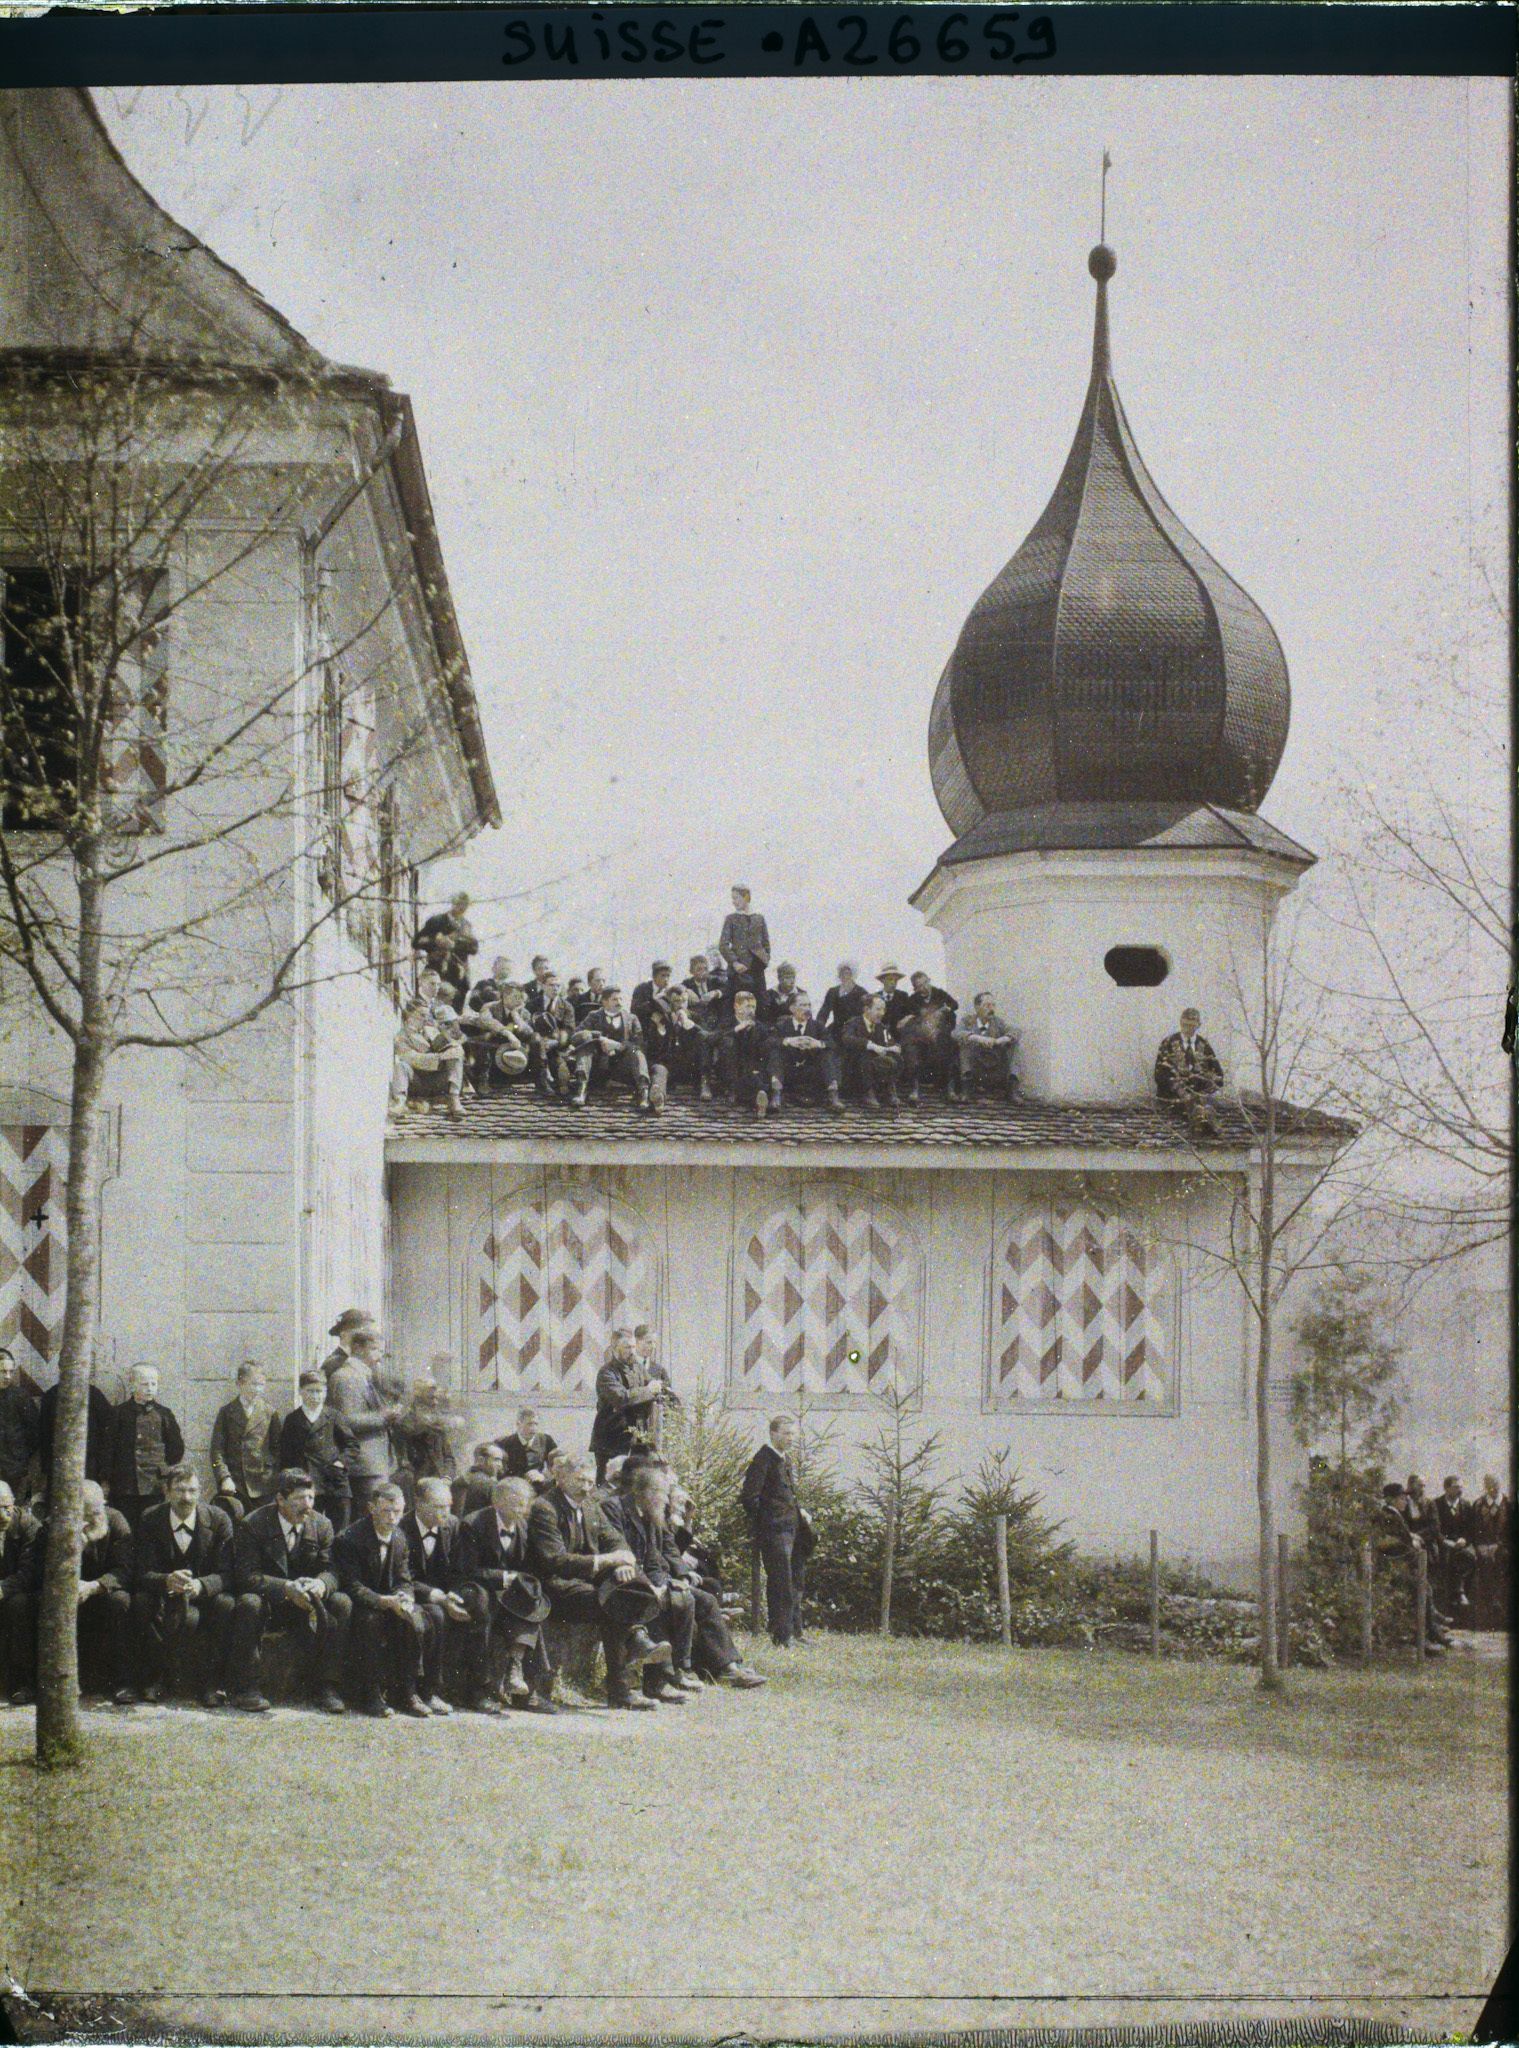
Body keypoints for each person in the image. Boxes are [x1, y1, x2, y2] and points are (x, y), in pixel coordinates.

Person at [525, 1452, 668, 1711]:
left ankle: (628, 1671)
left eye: (590, 1482)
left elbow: (614, 1539)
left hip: (587, 1582)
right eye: (580, 1481)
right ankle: (624, 1679)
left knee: (625, 1588)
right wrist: (605, 1562)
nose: (586, 1487)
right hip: (555, 1585)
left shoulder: (590, 1505)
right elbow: (555, 1560)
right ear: (561, 1476)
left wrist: (623, 1562)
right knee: (613, 1604)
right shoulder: (545, 1508)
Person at [228, 1469, 351, 1714]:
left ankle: (327, 1686)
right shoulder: (253, 1524)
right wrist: (285, 1588)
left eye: (311, 1498)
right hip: (271, 1603)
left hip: (307, 1603)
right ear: (280, 1500)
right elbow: (246, 1576)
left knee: (341, 1602)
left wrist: (321, 1585)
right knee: (248, 1603)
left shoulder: (322, 1524)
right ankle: (247, 1687)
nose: (307, 1506)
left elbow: (333, 1570)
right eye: (299, 1499)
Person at [132, 1463, 235, 1707]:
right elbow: (141, 1571)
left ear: (200, 1492)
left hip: (203, 1598)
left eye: (192, 1491)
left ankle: (210, 1683)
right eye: (179, 1490)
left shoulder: (218, 1520)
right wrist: (166, 1580)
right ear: (167, 1492)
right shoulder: (150, 1519)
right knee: (140, 1603)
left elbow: (229, 1572)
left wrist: (201, 1585)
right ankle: (155, 1678)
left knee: (227, 1604)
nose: (186, 1498)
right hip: (164, 1596)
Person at [332, 1480, 430, 1718]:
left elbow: (404, 1578)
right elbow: (350, 1584)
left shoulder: (400, 1537)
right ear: (371, 1508)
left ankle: (407, 1691)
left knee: (414, 1619)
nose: (392, 1517)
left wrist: (404, 1598)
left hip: (390, 1601)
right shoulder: (350, 1538)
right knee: (371, 1623)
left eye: (397, 1511)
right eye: (386, 1511)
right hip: (362, 1603)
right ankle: (370, 1693)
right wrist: (383, 1601)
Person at [461, 1475, 556, 1713]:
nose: (523, 1510)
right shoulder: (473, 1524)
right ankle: (478, 1692)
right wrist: (504, 1578)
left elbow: (529, 1565)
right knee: (481, 1609)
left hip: (508, 1592)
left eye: (526, 1504)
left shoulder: (523, 1525)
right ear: (498, 1503)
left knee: (535, 1602)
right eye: (517, 1504)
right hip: (478, 1588)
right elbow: (466, 1570)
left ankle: (525, 1688)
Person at [665, 1482, 764, 1688]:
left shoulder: (670, 1522)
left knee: (706, 1594)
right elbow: (669, 1554)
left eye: (685, 1505)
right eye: (679, 1503)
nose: (682, 1509)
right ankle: (727, 1669)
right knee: (705, 1601)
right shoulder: (660, 1520)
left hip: (672, 1578)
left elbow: (677, 1549)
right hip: (661, 1581)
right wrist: (683, 1575)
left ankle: (728, 1667)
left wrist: (687, 1520)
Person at [617, 1464, 697, 1702]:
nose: (667, 1500)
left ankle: (674, 1672)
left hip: (645, 1578)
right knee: (655, 1601)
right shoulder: (618, 1509)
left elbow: (653, 1558)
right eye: (664, 1493)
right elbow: (621, 1552)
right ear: (649, 1491)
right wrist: (651, 1586)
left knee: (680, 1596)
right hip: (622, 1577)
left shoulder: (652, 1515)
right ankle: (660, 1680)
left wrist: (661, 1583)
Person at [51, 1479, 136, 1703]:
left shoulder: (116, 1522)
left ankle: (123, 1682)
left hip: (102, 1591)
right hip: (69, 1592)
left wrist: (94, 1586)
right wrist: (76, 1546)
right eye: (84, 1514)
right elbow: (47, 1569)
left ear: (104, 1504)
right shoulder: (58, 1523)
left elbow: (124, 1570)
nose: (90, 1519)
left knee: (121, 1601)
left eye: (95, 1512)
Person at [401, 1475, 478, 1714]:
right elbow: (402, 1577)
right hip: (410, 1593)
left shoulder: (453, 1525)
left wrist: (452, 1595)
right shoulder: (401, 1528)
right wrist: (439, 1597)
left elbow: (459, 1569)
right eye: (437, 1506)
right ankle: (412, 1691)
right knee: (433, 1616)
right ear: (418, 1503)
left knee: (472, 1605)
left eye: (448, 1506)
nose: (444, 1513)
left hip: (441, 1595)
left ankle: (445, 1690)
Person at [742, 1415, 813, 1649]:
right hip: (775, 1533)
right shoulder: (763, 1459)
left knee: (795, 1581)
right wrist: (769, 1522)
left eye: (793, 1434)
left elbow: (785, 1495)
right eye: (786, 1433)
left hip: (794, 1530)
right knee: (780, 1583)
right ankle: (781, 1636)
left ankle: (795, 1631)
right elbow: (750, 1498)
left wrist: (799, 1511)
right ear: (773, 1434)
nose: (790, 1438)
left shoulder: (785, 1459)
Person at [327, 1326, 400, 1518]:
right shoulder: (346, 1377)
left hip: (372, 1463)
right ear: (358, 1349)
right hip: (362, 1465)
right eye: (375, 1350)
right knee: (369, 1519)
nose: (380, 1356)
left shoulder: (364, 1375)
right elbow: (346, 1420)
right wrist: (384, 1417)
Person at [106, 1363, 185, 1530]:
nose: (150, 1388)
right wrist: (107, 1479)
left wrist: (161, 1469)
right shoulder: (118, 1414)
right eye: (144, 1384)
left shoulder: (164, 1414)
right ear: (132, 1385)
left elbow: (176, 1449)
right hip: (124, 1485)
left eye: (153, 1384)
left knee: (152, 1528)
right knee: (126, 1529)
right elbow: (108, 1449)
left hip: (154, 1486)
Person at [1375, 1481, 1452, 1651]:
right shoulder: (1388, 1516)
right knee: (1421, 1589)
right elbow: (1392, 1544)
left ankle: (1432, 1633)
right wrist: (1412, 1542)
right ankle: (1423, 1638)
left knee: (1426, 1588)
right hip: (1394, 1568)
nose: (1405, 1501)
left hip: (1401, 1566)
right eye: (1401, 1498)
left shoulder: (1394, 1514)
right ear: (1389, 1500)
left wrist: (1410, 1538)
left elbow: (1400, 1537)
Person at [278, 1369, 358, 1531]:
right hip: (306, 1485)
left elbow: (352, 1445)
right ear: (301, 1392)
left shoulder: (334, 1416)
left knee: (339, 1531)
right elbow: (285, 1454)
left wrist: (340, 1463)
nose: (315, 1396)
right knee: (309, 1531)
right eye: (310, 1391)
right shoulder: (293, 1420)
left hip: (335, 1483)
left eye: (319, 1391)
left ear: (326, 1392)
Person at [590, 1329, 667, 1483]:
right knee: (609, 1486)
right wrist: (649, 1390)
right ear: (614, 1349)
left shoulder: (637, 1367)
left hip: (636, 1439)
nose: (632, 1351)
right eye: (627, 1347)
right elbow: (621, 1397)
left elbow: (652, 1385)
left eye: (633, 1347)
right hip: (611, 1440)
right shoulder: (606, 1373)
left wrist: (655, 1387)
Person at [209, 1361, 281, 1524]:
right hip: (235, 1484)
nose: (257, 1390)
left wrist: (272, 1476)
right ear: (239, 1384)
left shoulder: (270, 1412)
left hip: (263, 1486)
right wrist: (224, 1477)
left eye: (261, 1385)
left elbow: (277, 1450)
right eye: (253, 1384)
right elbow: (216, 1451)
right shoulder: (227, 1412)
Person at [568, 985, 651, 1112]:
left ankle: (643, 1092)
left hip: (620, 1068)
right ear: (604, 1002)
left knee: (637, 1052)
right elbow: (575, 1036)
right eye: (615, 1000)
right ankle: (581, 1089)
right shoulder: (593, 1016)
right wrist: (598, 1038)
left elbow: (639, 1043)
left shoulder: (631, 1018)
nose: (619, 1003)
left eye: (621, 999)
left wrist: (618, 1045)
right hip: (597, 1067)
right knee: (585, 1047)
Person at [37, 1374, 116, 1496]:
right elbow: (44, 1438)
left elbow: (107, 1437)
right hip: (59, 1468)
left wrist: (104, 1476)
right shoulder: (51, 1396)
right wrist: (45, 1471)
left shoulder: (94, 1395)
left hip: (89, 1468)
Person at [389, 997, 465, 1122]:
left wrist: (453, 1047)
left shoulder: (431, 1032)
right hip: (418, 1082)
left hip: (437, 1080)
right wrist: (440, 1057)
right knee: (401, 1066)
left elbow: (454, 1046)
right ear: (409, 1015)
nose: (425, 1019)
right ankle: (399, 1102)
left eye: (427, 1015)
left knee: (455, 1053)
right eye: (422, 1015)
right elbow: (412, 1058)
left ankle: (454, 1098)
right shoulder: (401, 1037)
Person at [768, 994, 844, 1114]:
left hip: (811, 1072)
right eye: (803, 1005)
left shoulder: (818, 1026)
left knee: (827, 1052)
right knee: (776, 1051)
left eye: (809, 1005)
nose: (807, 1009)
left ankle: (833, 1096)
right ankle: (776, 1095)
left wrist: (818, 1043)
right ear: (792, 1008)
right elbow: (769, 1042)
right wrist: (788, 1041)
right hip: (789, 1072)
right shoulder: (782, 1026)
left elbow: (833, 1044)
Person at [643, 984, 713, 1110]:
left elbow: (709, 1038)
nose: (680, 1005)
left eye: (684, 1001)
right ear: (669, 1002)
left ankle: (705, 1083)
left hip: (689, 1067)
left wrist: (692, 1027)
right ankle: (658, 1099)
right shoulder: (661, 1018)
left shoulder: (695, 1017)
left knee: (702, 1037)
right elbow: (654, 1050)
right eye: (676, 1001)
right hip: (669, 1066)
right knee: (659, 1070)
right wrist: (660, 1030)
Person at [1154, 1007, 1222, 1132]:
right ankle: (1200, 1120)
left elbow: (1219, 1076)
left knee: (1206, 1109)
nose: (1188, 1029)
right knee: (1194, 1110)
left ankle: (1205, 1120)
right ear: (1180, 1023)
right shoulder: (1168, 1043)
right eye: (1185, 1025)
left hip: (1200, 1096)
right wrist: (1178, 1088)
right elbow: (1159, 1074)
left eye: (1192, 1026)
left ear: (1198, 1025)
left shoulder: (1204, 1045)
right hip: (1175, 1096)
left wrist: (1205, 1089)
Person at [0, 1481, 38, 1705]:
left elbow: (30, 1572)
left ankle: (22, 1683)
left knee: (18, 1605)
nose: (3, 1514)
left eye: (6, 1507)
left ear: (13, 1504)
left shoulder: (27, 1525)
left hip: (21, 1592)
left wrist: (3, 1589)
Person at [460, 982, 534, 1095]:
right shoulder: (490, 1007)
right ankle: (482, 1080)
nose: (519, 1001)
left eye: (521, 997)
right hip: (490, 1048)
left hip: (511, 1053)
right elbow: (488, 1022)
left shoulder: (524, 1012)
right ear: (505, 996)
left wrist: (515, 1015)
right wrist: (509, 1034)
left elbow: (528, 1032)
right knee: (483, 1040)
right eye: (516, 997)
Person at [413, 890, 478, 1008]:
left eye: (465, 905)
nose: (462, 908)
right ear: (453, 903)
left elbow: (474, 948)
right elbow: (417, 941)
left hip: (458, 975)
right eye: (459, 904)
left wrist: (455, 944)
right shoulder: (437, 921)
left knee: (455, 1009)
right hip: (437, 970)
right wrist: (436, 941)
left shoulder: (466, 926)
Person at [899, 984, 961, 1104]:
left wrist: (944, 1011)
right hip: (922, 1052)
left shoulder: (940, 997)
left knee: (950, 1046)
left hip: (939, 1049)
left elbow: (954, 1006)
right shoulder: (914, 1009)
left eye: (925, 983)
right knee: (911, 1049)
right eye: (920, 986)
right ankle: (914, 1089)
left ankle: (950, 1089)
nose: (924, 988)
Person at [956, 992, 1023, 1103]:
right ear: (977, 1007)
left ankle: (1012, 1090)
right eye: (987, 1005)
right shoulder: (967, 1021)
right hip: (975, 1069)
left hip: (994, 1068)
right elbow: (956, 1033)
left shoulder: (998, 1023)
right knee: (964, 1044)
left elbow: (1016, 1031)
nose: (991, 1009)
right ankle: (966, 1091)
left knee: (1014, 1045)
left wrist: (1001, 1040)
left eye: (993, 1005)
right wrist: (977, 1038)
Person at [841, 994, 905, 1108]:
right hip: (855, 1071)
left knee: (896, 1057)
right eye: (878, 1009)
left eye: (883, 1009)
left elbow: (890, 1042)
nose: (882, 1013)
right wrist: (870, 1045)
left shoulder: (881, 1027)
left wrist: (894, 1047)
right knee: (864, 1053)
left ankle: (889, 1090)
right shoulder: (853, 1023)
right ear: (866, 1009)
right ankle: (867, 1093)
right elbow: (847, 1038)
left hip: (874, 1067)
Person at [717, 988, 772, 1117]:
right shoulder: (726, 1023)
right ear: (736, 1006)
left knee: (755, 1080)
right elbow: (714, 1039)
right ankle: (757, 1099)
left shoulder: (759, 1027)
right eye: (748, 1006)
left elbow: (766, 1047)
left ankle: (759, 1102)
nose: (751, 1010)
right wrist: (736, 1029)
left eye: (753, 1007)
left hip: (750, 1070)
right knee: (728, 1042)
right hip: (729, 1070)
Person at [718, 884, 770, 1008]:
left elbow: (766, 943)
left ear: (746, 897)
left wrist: (765, 959)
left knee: (762, 1003)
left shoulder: (759, 918)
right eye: (733, 899)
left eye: (736, 898)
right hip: (739, 970)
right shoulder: (731, 919)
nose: (734, 902)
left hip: (757, 969)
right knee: (737, 1002)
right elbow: (723, 945)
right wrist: (735, 963)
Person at [1434, 1475, 1479, 1618]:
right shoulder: (1436, 1504)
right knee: (1446, 1560)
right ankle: (1453, 1598)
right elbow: (1435, 1528)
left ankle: (1461, 1594)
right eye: (1455, 1487)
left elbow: (1472, 1529)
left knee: (1469, 1557)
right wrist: (1444, 1541)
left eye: (1461, 1487)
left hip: (1461, 1544)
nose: (1459, 1490)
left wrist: (1464, 1539)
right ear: (1446, 1488)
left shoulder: (1466, 1505)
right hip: (1444, 1544)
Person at [1470, 1474, 1511, 1628]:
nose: (1493, 1488)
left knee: (1501, 1568)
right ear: (1485, 1487)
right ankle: (1485, 1619)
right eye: (1489, 1485)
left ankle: (1499, 1612)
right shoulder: (1478, 1505)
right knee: (1482, 1573)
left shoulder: (1509, 1505)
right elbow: (1472, 1529)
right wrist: (1479, 1546)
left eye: (1496, 1484)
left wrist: (1499, 1545)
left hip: (1503, 1549)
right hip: (1482, 1549)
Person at [0, 1349, 39, 1498]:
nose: (8, 1376)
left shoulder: (21, 1397)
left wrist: (19, 1457)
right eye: (3, 1371)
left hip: (14, 1471)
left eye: (11, 1371)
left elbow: (34, 1433)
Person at [496, 1409, 557, 1487]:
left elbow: (558, 1465)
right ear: (518, 1424)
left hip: (540, 1486)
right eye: (529, 1424)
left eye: (536, 1424)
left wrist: (544, 1477)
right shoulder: (503, 1443)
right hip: (514, 1488)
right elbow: (498, 1472)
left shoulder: (546, 1440)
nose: (534, 1428)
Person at [452, 1440, 507, 1519]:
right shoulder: (489, 1484)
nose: (500, 1465)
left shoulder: (459, 1480)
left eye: (501, 1461)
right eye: (496, 1460)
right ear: (481, 1460)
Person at [320, 1309, 377, 1384]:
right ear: (344, 1335)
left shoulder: (363, 1360)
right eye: (361, 1333)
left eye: (369, 1333)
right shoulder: (333, 1364)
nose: (367, 1339)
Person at [816, 962, 868, 1041]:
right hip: (836, 1030)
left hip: (855, 1031)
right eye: (842, 974)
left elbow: (866, 1014)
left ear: (853, 975)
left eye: (847, 974)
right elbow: (824, 1012)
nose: (845, 976)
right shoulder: (832, 992)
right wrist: (818, 1028)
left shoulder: (861, 992)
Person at [758, 962, 810, 1029]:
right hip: (774, 1030)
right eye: (788, 978)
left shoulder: (801, 994)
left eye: (793, 977)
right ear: (779, 979)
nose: (792, 981)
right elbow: (764, 1018)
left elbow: (807, 1017)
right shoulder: (769, 994)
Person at [682, 952, 726, 1028]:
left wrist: (715, 993)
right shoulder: (687, 983)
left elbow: (727, 988)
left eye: (705, 969)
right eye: (699, 969)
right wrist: (686, 991)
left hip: (717, 1019)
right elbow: (676, 989)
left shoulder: (714, 980)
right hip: (698, 1021)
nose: (703, 972)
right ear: (691, 971)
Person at [630, 960, 675, 1033]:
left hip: (663, 1033)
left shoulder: (670, 992)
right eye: (663, 975)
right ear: (654, 976)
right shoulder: (642, 989)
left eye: (668, 976)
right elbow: (634, 1010)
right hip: (644, 1030)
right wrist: (655, 1000)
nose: (666, 979)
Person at [874, 964, 915, 1039]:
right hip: (880, 1038)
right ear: (882, 980)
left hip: (900, 1037)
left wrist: (906, 1019)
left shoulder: (903, 996)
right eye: (890, 979)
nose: (893, 982)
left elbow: (912, 1014)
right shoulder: (875, 997)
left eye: (896, 980)